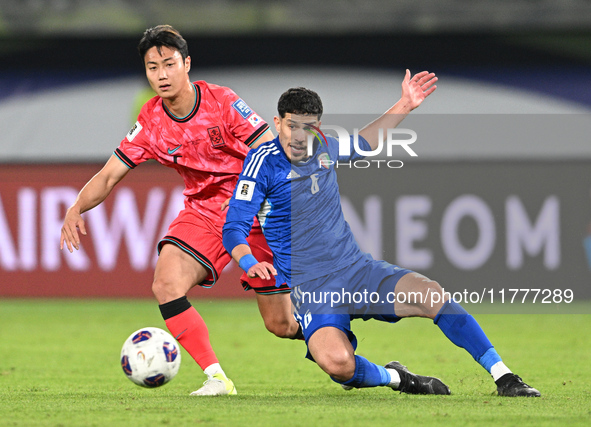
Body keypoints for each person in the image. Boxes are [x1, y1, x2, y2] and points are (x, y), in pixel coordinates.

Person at [222, 74, 541, 397]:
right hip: (313, 289)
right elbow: (233, 226)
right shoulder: (262, 163)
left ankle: (505, 377)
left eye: (308, 127)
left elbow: (363, 144)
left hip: (356, 270)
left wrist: (404, 104)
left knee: (431, 294)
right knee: (337, 364)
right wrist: (248, 261)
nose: (300, 137)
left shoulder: (324, 146)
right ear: (277, 123)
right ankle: (399, 379)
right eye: (292, 126)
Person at [60, 25, 301, 397]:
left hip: (254, 211)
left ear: (186, 64)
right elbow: (109, 175)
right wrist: (77, 207)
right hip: (203, 212)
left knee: (281, 325)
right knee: (165, 283)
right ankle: (217, 378)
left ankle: (333, 337)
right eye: (152, 67)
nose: (161, 75)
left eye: (169, 64)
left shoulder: (222, 102)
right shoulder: (151, 121)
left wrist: (248, 196)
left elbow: (271, 151)